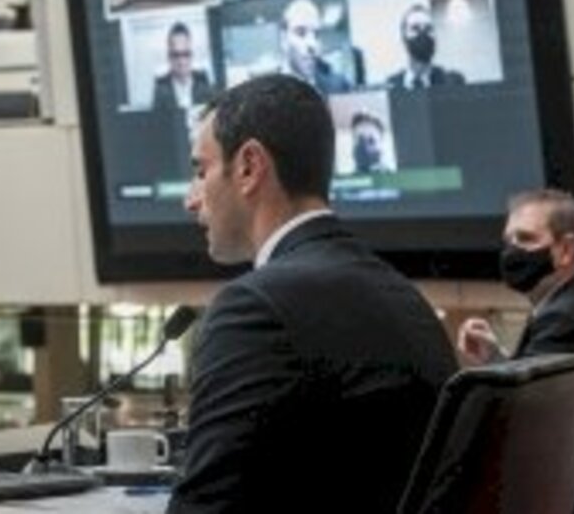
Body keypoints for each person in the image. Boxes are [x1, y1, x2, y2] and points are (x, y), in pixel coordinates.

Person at [168, 74, 457, 513]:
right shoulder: (403, 296)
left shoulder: (254, 308)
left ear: (249, 167)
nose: (190, 200)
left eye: (200, 171)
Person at [457, 189, 574, 514]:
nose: (511, 252)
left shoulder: (565, 320)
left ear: (567, 248)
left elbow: (520, 431)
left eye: (525, 239)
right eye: (508, 241)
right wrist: (496, 358)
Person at [277, 0, 351, 94]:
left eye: (316, 35)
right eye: (301, 33)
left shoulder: (339, 86)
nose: (312, 44)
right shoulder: (267, 94)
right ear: (284, 40)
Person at [386, 4, 466, 89]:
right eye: (415, 29)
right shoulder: (392, 86)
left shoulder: (452, 82)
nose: (423, 34)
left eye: (428, 29)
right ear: (403, 37)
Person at [152, 22, 214, 110]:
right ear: (169, 57)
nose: (181, 61)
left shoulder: (204, 84)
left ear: (192, 54)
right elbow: (156, 122)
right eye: (176, 55)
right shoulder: (161, 89)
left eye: (186, 54)